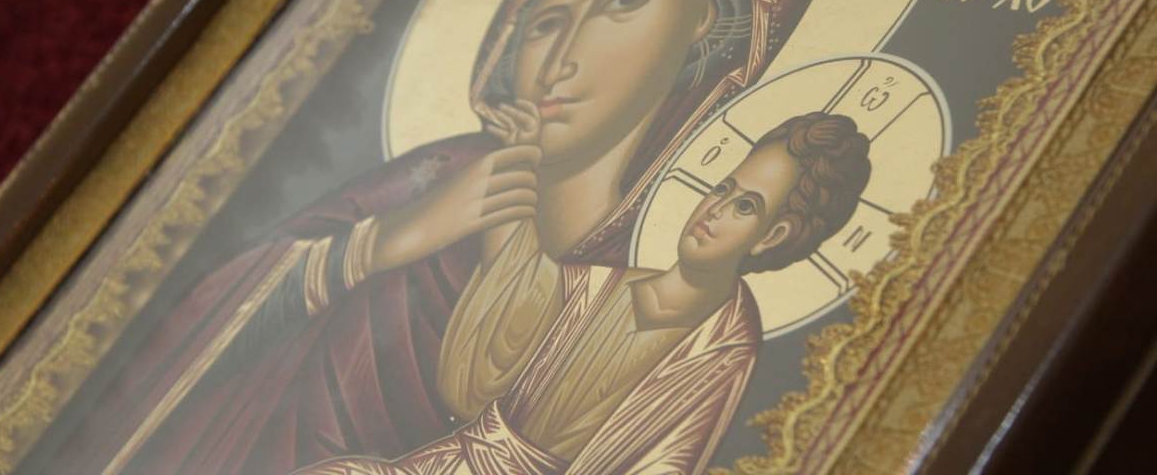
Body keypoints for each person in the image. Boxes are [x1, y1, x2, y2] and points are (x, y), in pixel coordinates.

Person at [49, 0, 851, 475]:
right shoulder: (438, 178)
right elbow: (159, 353)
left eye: (625, 2)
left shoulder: (656, 291)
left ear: (704, 24)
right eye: (545, 23)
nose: (562, 57)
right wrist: (381, 244)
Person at [291, 109, 872, 475]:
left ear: (772, 236)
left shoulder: (720, 348)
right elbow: (505, 322)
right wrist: (520, 163)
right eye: (723, 187)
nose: (714, 210)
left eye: (745, 206)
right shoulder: (594, 285)